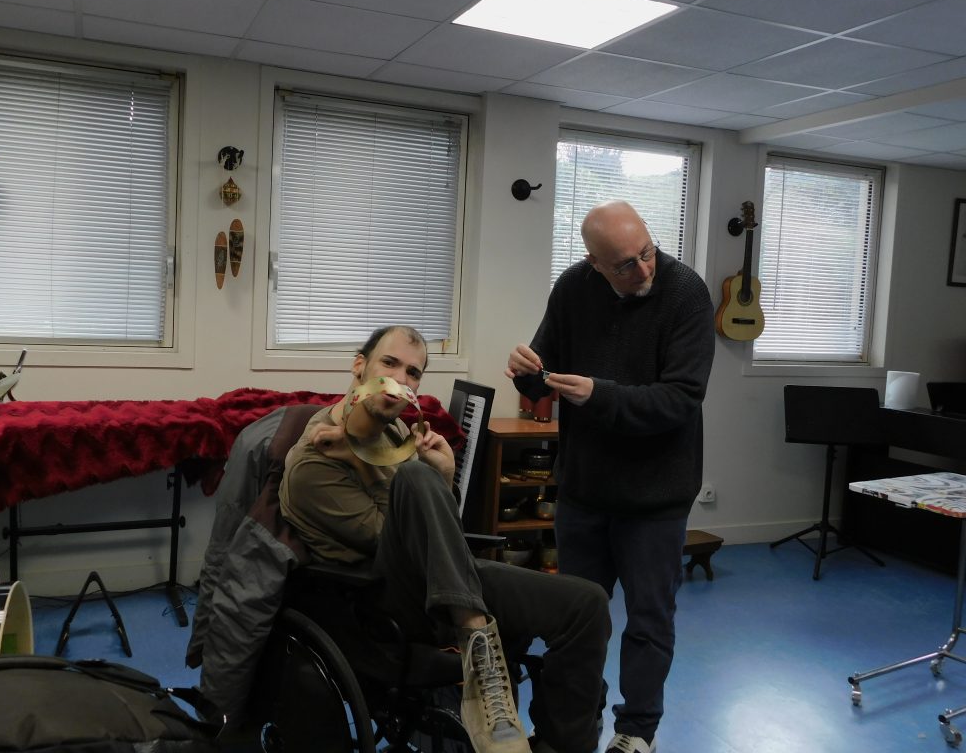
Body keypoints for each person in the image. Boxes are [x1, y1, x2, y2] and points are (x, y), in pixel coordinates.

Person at [279, 325, 611, 753]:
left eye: (413, 372)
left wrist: (448, 476)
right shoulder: (315, 461)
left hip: (446, 582)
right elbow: (396, 540)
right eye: (389, 363)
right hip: (383, 598)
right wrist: (361, 458)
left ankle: (558, 745)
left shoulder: (397, 433)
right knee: (416, 476)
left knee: (588, 604)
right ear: (359, 366)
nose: (401, 380)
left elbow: (440, 535)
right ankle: (479, 645)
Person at [506, 200, 715, 753]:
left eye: (646, 253)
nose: (642, 270)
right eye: (623, 264)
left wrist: (601, 395)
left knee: (648, 621)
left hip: (656, 497)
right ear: (594, 263)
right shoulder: (573, 289)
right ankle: (574, 724)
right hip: (585, 493)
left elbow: (681, 398)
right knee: (577, 619)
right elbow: (544, 377)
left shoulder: (686, 292)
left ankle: (635, 732)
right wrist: (526, 376)